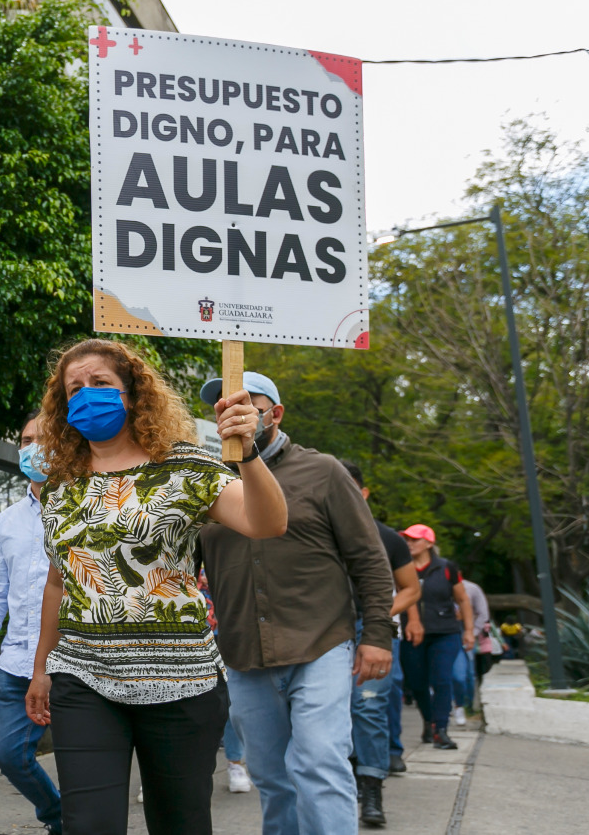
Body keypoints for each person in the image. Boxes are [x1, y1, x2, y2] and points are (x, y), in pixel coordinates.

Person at [24, 339, 287, 835]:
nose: (85, 394)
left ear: (133, 392)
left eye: (100, 383)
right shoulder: (59, 484)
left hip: (181, 680)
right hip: (83, 677)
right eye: (73, 387)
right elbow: (59, 582)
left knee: (180, 823)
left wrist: (249, 454)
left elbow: (267, 523)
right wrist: (41, 669)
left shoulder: (186, 467)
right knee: (89, 825)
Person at [197, 372, 395, 835]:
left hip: (320, 644)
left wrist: (378, 637)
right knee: (271, 776)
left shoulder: (324, 471)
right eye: (224, 407)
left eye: (249, 404)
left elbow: (369, 558)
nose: (235, 413)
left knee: (320, 764)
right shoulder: (207, 485)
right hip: (244, 654)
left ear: (275, 413)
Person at [0, 412, 63, 835]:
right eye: (25, 440)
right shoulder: (9, 519)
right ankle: (57, 816)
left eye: (43, 438)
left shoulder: (89, 505)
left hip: (72, 661)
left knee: (83, 763)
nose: (32, 447)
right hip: (15, 663)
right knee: (8, 753)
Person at [339, 460, 422, 826]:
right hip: (323, 630)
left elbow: (411, 589)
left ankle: (372, 789)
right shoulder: (313, 529)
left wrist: (376, 614)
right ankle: (346, 778)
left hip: (371, 630)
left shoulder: (387, 537)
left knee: (369, 706)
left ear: (364, 493)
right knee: (333, 709)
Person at [398, 524, 475, 751]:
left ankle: (441, 730)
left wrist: (469, 630)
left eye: (415, 540)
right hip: (412, 635)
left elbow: (462, 600)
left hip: (445, 632)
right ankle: (429, 721)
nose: (409, 544)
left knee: (442, 679)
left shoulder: (447, 568)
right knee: (417, 683)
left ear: (429, 543)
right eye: (407, 540)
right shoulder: (401, 567)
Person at [197, 570, 252, 794]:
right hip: (184, 623)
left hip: (227, 624)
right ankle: (159, 772)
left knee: (232, 700)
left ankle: (235, 763)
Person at [451, 576, 490, 725]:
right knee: (450, 673)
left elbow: (483, 614)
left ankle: (466, 705)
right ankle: (453, 705)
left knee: (468, 674)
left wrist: (472, 632)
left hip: (465, 633)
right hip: (445, 633)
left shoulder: (472, 589)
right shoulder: (439, 587)